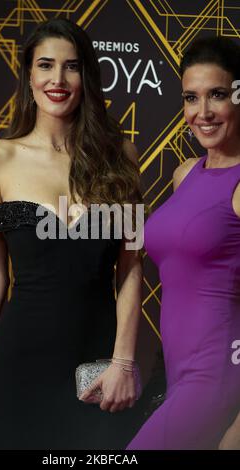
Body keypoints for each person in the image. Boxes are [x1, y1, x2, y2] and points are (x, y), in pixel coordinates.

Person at [0, 18, 147, 450]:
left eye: (71, 67)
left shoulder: (121, 157)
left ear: (86, 76)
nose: (57, 80)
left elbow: (131, 267)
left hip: (99, 367)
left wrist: (124, 361)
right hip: (20, 365)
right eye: (46, 65)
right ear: (29, 75)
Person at [126, 36, 240, 450]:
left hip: (217, 376)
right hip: (173, 372)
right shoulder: (185, 174)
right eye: (191, 98)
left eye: (218, 95)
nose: (203, 113)